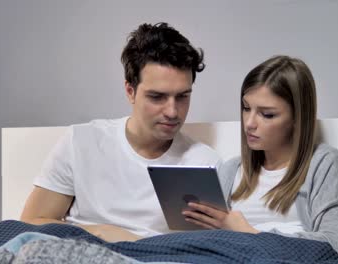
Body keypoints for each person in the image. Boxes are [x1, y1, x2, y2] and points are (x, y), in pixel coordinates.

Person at [20, 22, 221, 242]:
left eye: (182, 96)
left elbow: (207, 246)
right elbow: (32, 221)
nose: (173, 112)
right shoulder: (82, 142)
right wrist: (101, 232)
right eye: (157, 97)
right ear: (130, 91)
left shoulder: (204, 163)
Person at [181, 55, 338, 258]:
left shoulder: (323, 163)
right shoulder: (232, 170)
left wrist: (249, 233)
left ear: (297, 118)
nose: (249, 123)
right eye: (246, 108)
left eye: (267, 114)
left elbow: (335, 247)